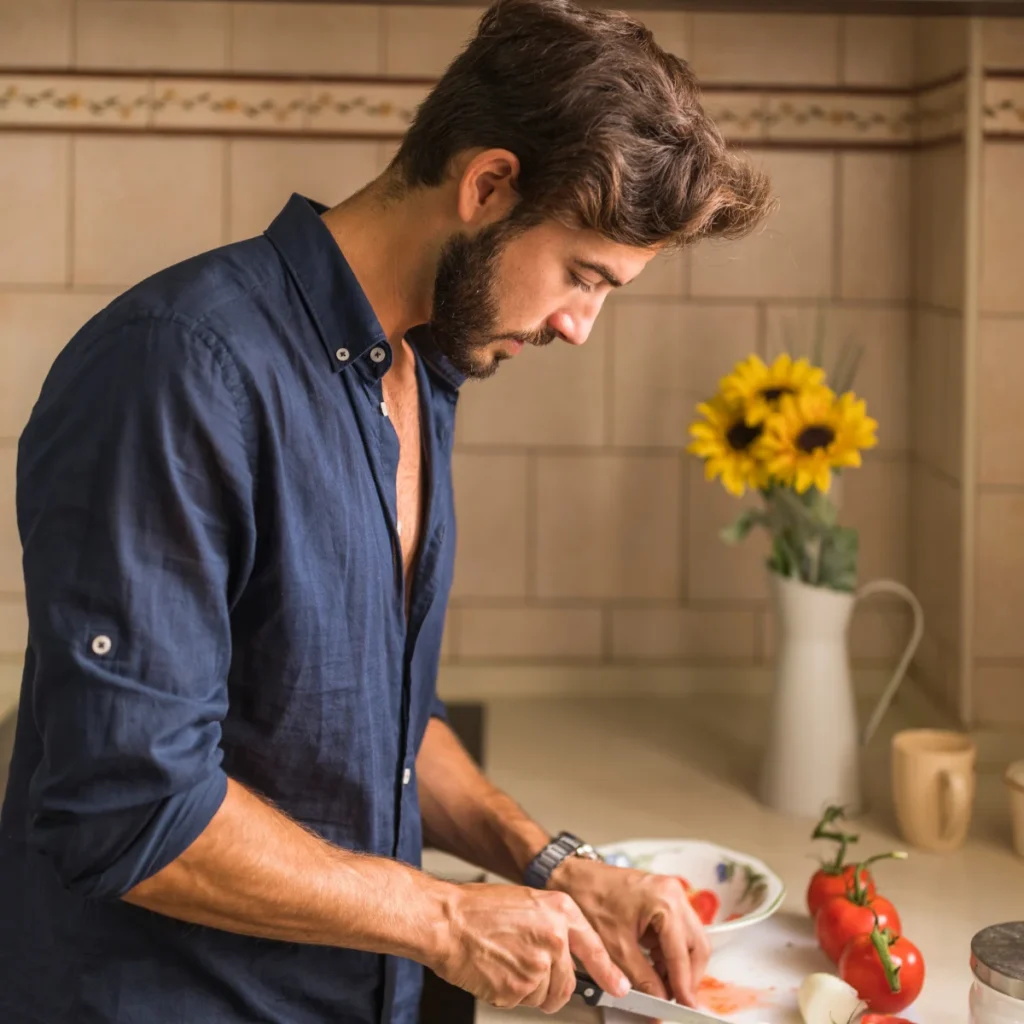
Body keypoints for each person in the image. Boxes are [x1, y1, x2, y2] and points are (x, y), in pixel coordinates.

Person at [0, 0, 774, 1021]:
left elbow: (376, 729)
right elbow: (131, 804)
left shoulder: (418, 367)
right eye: (582, 276)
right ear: (489, 185)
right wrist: (447, 921)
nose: (580, 327)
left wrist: (554, 863)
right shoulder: (179, 369)